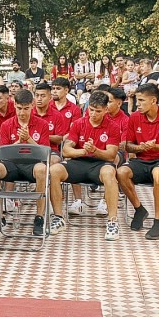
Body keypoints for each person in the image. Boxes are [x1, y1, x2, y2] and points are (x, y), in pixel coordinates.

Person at [49, 92, 121, 240]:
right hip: (79, 162)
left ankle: (112, 221)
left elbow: (111, 155)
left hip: (100, 164)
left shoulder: (112, 126)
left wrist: (95, 151)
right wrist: (84, 150)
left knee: (109, 172)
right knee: (54, 170)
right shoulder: (78, 123)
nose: (93, 114)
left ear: (106, 110)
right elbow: (66, 150)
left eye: (98, 111)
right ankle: (58, 218)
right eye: (91, 110)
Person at [117, 83, 159, 240]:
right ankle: (139, 209)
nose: (137, 104)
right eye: (136, 100)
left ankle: (158, 221)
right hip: (142, 159)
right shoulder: (134, 117)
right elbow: (128, 146)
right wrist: (140, 147)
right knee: (121, 172)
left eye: (141, 100)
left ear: (153, 101)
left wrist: (156, 145)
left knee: (158, 172)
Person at [0, 89, 51, 236]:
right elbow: (3, 153)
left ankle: (39, 217)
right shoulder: (6, 125)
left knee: (42, 169)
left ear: (32, 105)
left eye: (26, 108)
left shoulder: (42, 124)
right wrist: (19, 141)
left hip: (34, 164)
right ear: (14, 105)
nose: (22, 112)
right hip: (12, 164)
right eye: (19, 108)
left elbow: (45, 153)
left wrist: (28, 139)